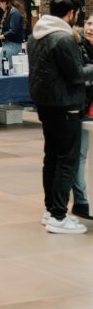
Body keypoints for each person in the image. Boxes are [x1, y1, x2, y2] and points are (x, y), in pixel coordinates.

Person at [28, 0, 93, 234]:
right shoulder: (63, 39)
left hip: (46, 105)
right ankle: (58, 215)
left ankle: (50, 210)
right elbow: (76, 74)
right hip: (66, 105)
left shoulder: (36, 35)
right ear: (71, 13)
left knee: (52, 158)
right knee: (67, 160)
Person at [72, 15, 93, 220]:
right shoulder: (78, 48)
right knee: (80, 155)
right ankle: (81, 201)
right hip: (83, 110)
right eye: (88, 23)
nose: (91, 28)